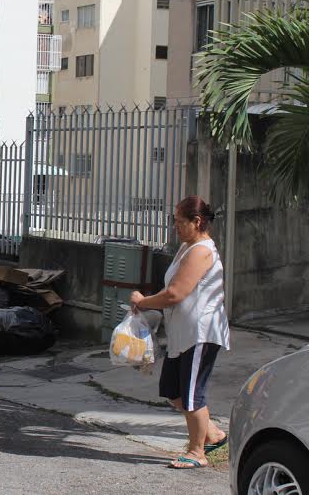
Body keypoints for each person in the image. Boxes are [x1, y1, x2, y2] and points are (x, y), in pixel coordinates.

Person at [130, 195, 230, 469]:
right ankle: (213, 434)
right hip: (182, 334)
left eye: (179, 222)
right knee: (172, 389)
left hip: (200, 333)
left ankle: (197, 452)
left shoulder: (201, 251)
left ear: (197, 222)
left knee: (190, 393)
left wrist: (143, 302)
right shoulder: (187, 247)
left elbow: (175, 293)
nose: (175, 226)